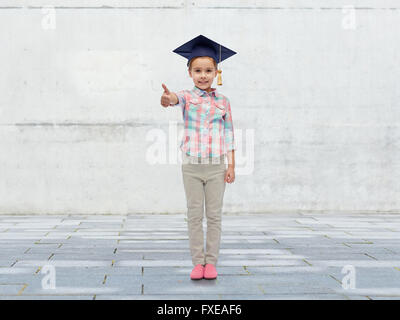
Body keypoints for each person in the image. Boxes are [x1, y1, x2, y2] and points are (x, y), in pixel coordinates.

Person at [160, 35, 236, 280]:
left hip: (216, 166)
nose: (203, 75)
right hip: (192, 166)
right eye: (198, 70)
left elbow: (230, 136)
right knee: (194, 214)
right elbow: (172, 100)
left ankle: (211, 263)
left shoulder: (224, 102)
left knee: (214, 215)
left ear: (216, 72)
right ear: (190, 73)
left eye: (208, 70)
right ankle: (197, 263)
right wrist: (166, 99)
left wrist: (231, 166)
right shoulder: (186, 97)